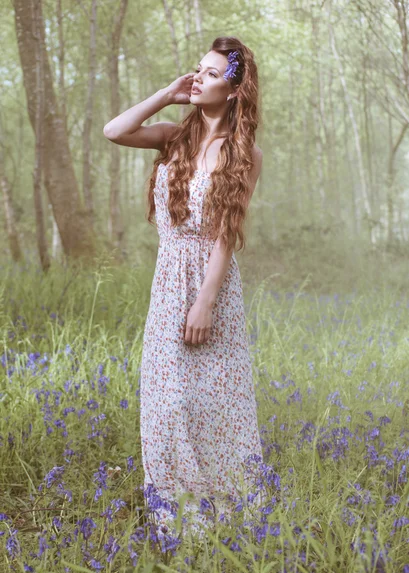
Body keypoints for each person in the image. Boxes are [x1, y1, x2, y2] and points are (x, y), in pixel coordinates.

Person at [103, 36, 264, 538]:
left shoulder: (244, 154)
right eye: (198, 69)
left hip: (210, 286)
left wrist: (206, 302)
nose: (199, 78)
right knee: (167, 400)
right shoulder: (174, 136)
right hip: (168, 279)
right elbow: (115, 130)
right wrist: (168, 92)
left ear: (236, 90)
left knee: (216, 400)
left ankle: (228, 514)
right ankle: (176, 517)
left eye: (212, 73)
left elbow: (225, 235)